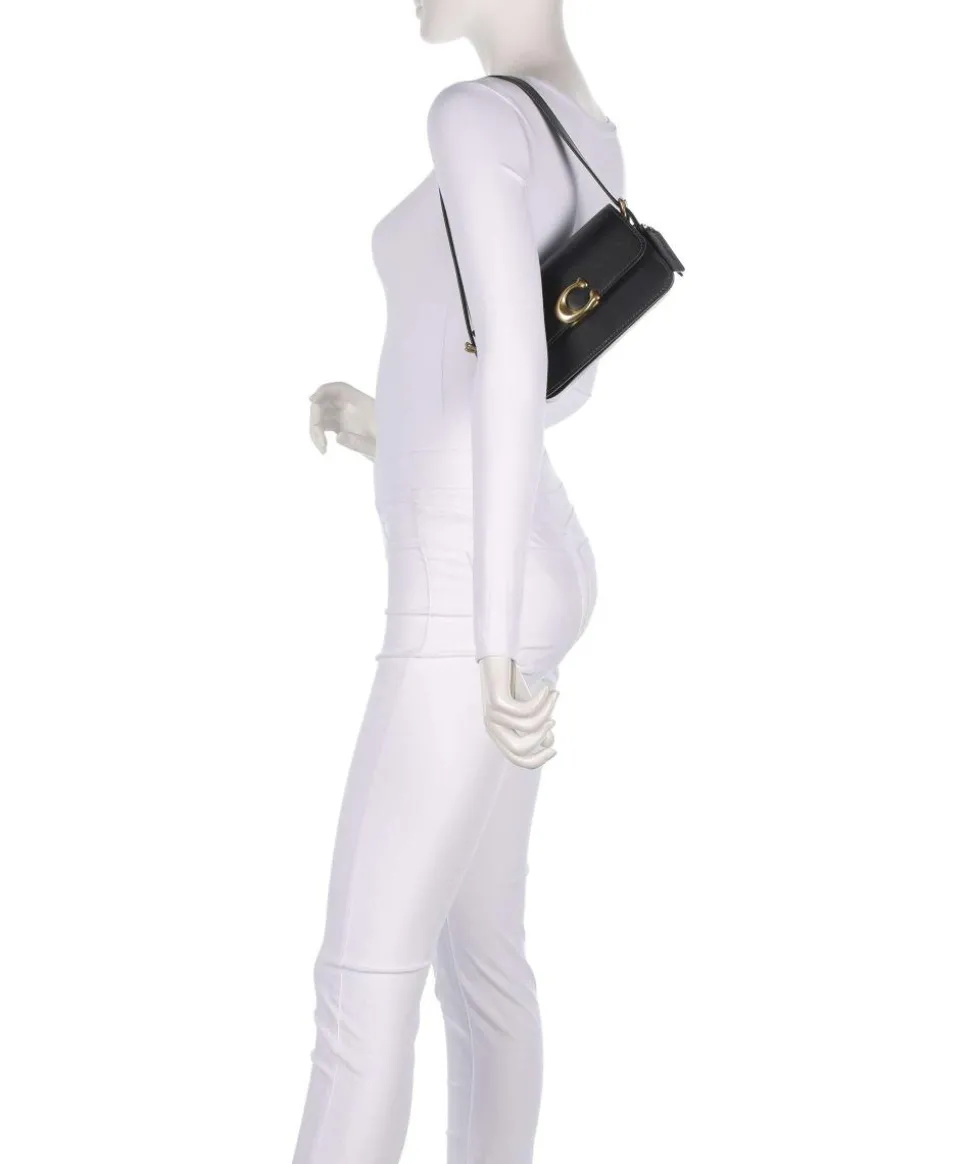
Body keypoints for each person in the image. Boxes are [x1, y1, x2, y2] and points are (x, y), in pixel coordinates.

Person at [293, 3, 627, 1161]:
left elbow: (520, 370)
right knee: (482, 963)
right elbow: (546, 380)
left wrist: (486, 648)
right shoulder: (582, 124)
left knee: (360, 990)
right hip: (532, 555)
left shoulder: (474, 116)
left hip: (462, 595)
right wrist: (390, 426)